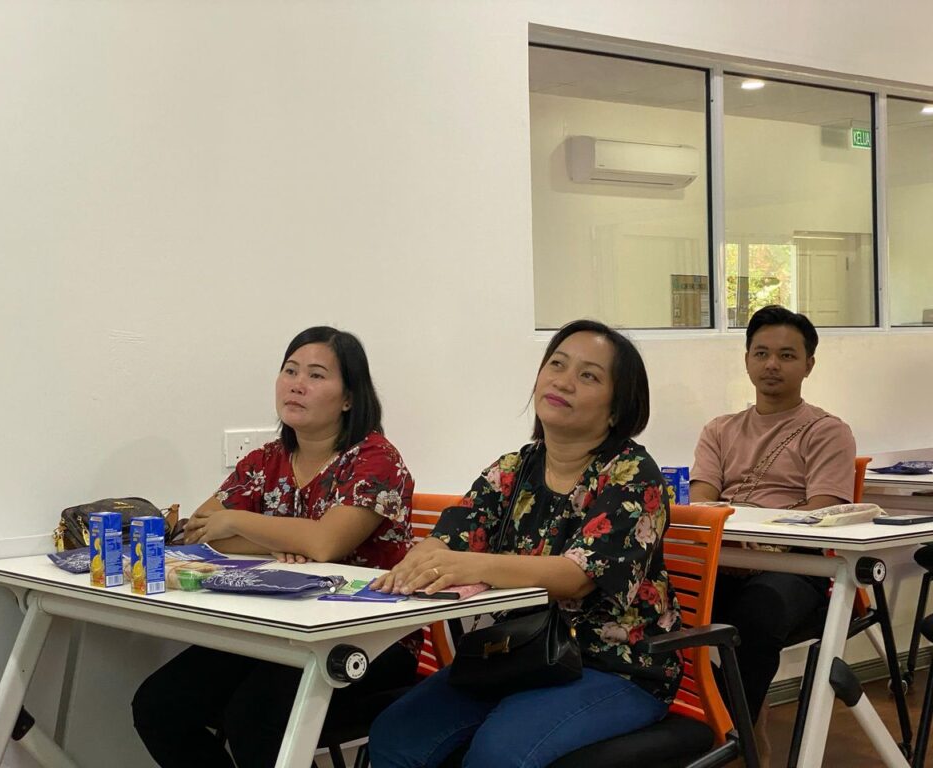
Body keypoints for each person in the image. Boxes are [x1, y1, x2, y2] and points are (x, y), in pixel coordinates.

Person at [368, 319, 683, 768]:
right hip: (518, 654)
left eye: (588, 375)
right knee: (395, 734)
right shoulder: (513, 469)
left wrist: (472, 565)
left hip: (614, 665)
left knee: (499, 754)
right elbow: (446, 538)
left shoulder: (632, 474)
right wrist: (423, 561)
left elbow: (575, 576)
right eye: (557, 364)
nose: (563, 381)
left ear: (617, 409)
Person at [131, 326, 416, 768]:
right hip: (279, 629)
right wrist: (276, 540)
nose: (297, 384)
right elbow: (199, 531)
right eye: (290, 371)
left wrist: (240, 522)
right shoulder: (266, 460)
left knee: (255, 718)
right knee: (159, 706)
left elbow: (325, 543)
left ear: (348, 398)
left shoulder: (376, 460)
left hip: (368, 639)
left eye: (316, 375)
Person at [690, 305, 856, 732]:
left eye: (786, 355)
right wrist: (733, 537)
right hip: (725, 560)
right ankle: (684, 720)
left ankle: (728, 736)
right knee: (656, 600)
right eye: (761, 353)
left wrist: (757, 536)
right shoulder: (719, 430)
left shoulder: (827, 431)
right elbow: (702, 502)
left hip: (798, 567)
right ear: (747, 360)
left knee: (756, 614)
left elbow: (821, 513)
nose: (771, 365)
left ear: (808, 365)